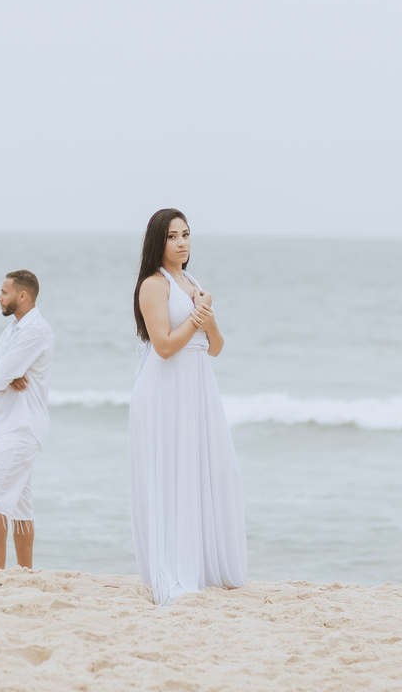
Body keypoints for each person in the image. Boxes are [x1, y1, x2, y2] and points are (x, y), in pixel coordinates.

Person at [129, 208, 247, 605]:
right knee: (172, 474)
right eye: (173, 236)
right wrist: (197, 318)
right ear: (158, 242)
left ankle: (203, 564)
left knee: (217, 470)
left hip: (197, 387)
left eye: (186, 235)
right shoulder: (153, 285)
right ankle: (174, 569)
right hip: (165, 390)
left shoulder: (193, 282)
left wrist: (206, 317)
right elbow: (162, 346)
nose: (182, 243)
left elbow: (216, 347)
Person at [0, 270, 54, 570]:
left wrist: (0, 374)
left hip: (22, 427)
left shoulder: (35, 331)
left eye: (4, 292)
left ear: (22, 296)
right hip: (9, 427)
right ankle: (25, 573)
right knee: (20, 503)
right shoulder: (13, 330)